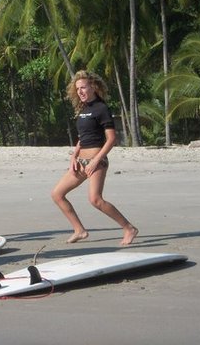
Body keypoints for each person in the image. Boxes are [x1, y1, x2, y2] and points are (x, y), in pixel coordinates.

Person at [50, 70, 138, 246]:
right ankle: (79, 230)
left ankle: (129, 228)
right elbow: (83, 138)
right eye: (78, 89)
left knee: (95, 200)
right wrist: (74, 157)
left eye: (83, 87)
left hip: (96, 162)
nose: (80, 91)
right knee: (57, 194)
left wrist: (96, 161)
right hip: (80, 162)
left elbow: (112, 139)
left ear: (93, 87)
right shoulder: (83, 109)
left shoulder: (101, 108)